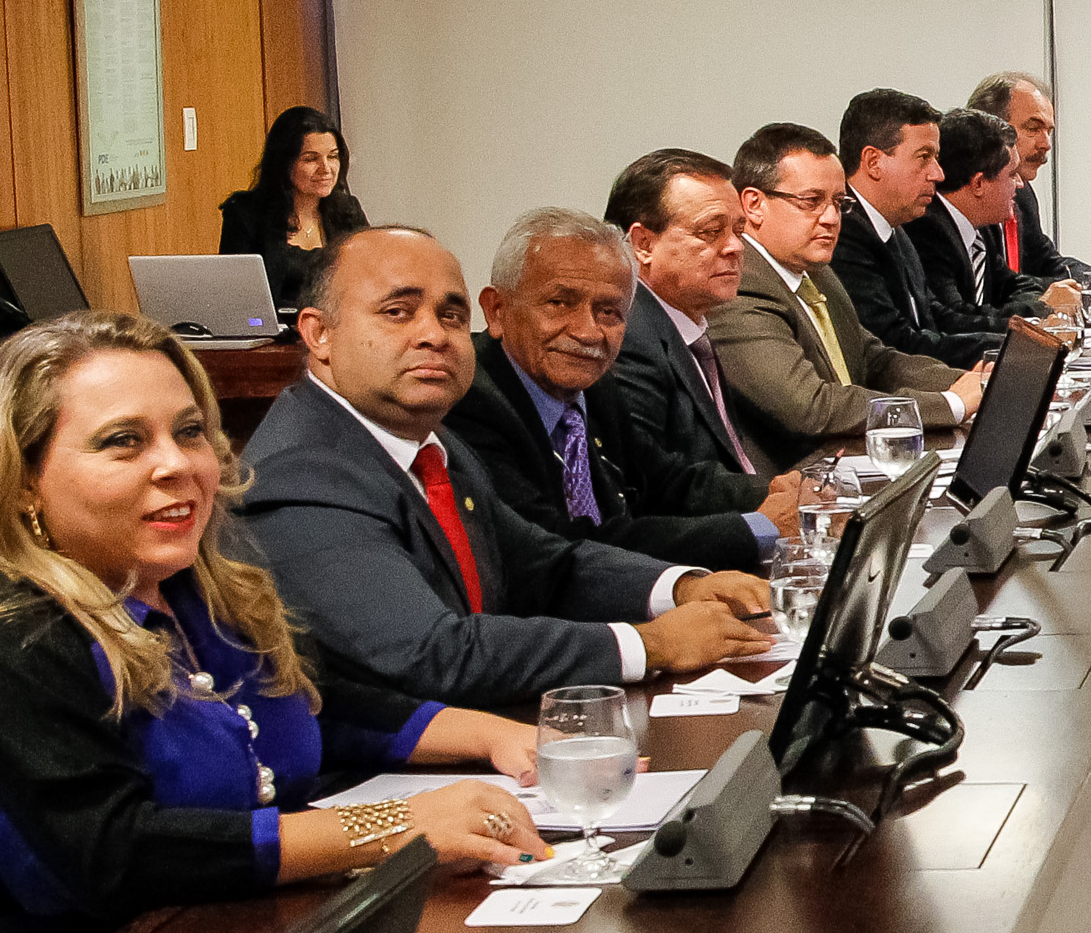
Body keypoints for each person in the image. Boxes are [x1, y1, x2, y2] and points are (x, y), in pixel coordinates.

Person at [0, 314, 546, 933]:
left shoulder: (194, 582)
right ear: (22, 480)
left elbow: (319, 703)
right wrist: (391, 827)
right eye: (123, 442)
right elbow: (109, 855)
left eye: (190, 431)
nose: (176, 464)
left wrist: (506, 737)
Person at [234, 227, 776, 707]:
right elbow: (431, 653)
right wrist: (648, 643)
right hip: (372, 781)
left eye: (450, 314)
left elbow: (543, 565)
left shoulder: (431, 443)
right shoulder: (300, 471)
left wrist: (679, 587)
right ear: (317, 333)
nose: (434, 334)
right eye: (398, 311)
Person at [445, 209, 784, 573]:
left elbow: (665, 479)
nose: (588, 332)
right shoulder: (469, 400)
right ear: (497, 310)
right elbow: (566, 545)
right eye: (559, 303)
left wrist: (776, 494)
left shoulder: (593, 384)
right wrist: (758, 528)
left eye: (609, 312)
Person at [713, 124, 987, 471]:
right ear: (754, 204)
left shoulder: (817, 271)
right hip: (793, 489)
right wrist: (950, 404)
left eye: (838, 203)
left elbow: (874, 359)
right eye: (811, 201)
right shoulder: (739, 286)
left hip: (846, 465)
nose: (830, 218)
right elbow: (811, 406)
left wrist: (973, 384)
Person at [596, 147, 806, 543]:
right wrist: (763, 520)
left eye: (738, 230)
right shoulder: (629, 340)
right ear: (642, 243)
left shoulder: (685, 323)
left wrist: (785, 490)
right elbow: (658, 491)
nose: (735, 247)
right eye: (711, 231)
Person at [830, 88, 987, 366]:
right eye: (924, 156)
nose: (937, 173)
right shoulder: (842, 235)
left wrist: (1017, 333)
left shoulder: (895, 226)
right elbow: (896, 343)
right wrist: (1005, 349)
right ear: (873, 162)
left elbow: (935, 315)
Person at [904, 107, 1079, 334]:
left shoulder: (978, 227)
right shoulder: (928, 229)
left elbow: (1012, 283)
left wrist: (1040, 302)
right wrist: (1040, 308)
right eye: (1011, 174)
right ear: (978, 184)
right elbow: (955, 319)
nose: (1020, 184)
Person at [215, 106, 370, 309]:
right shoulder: (246, 214)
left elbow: (371, 279)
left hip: (336, 329)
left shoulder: (348, 211)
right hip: (274, 332)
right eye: (311, 159)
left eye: (332, 157)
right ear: (284, 163)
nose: (326, 169)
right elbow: (234, 294)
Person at [965, 71, 1071, 285]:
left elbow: (1046, 261)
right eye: (1033, 128)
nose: (1046, 144)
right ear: (991, 129)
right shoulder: (964, 199)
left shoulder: (1022, 193)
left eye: (1048, 131)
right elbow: (997, 288)